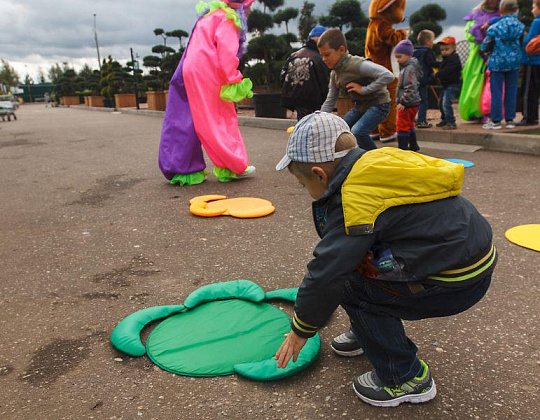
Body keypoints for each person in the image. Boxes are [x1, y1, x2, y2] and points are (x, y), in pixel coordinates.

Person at [273, 111, 496, 408]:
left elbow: (326, 273)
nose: (306, 192)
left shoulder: (355, 199)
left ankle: (404, 377)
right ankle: (371, 332)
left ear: (319, 173)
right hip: (467, 260)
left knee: (350, 286)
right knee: (356, 267)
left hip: (454, 279)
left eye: (303, 185)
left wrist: (302, 328)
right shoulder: (374, 165)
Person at [158, 0, 256, 186]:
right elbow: (226, 53)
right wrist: (233, 79)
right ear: (241, 7)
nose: (250, 10)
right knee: (219, 117)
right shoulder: (229, 19)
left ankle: (183, 168)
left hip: (188, 69)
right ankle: (233, 165)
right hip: (208, 71)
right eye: (249, 6)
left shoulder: (209, 15)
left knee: (187, 119)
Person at [318, 29, 396, 151]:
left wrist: (364, 89)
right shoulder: (335, 73)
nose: (323, 59)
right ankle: (353, 157)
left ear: (342, 50)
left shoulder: (358, 65)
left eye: (327, 54)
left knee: (357, 132)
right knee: (340, 129)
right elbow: (330, 99)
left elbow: (388, 76)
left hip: (379, 104)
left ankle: (375, 160)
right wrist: (319, 119)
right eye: (321, 55)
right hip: (361, 106)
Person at [481, 0, 524, 130]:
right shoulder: (520, 26)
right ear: (516, 9)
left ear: (501, 10)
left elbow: (485, 45)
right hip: (514, 61)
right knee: (512, 91)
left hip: (497, 62)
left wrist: (486, 51)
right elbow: (523, 42)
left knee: (497, 92)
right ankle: (510, 119)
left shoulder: (495, 27)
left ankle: (496, 121)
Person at [459, 0, 501, 122]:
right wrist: (480, 31)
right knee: (474, 82)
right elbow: (469, 35)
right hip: (477, 55)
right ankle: (475, 111)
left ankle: (487, 111)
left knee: (490, 84)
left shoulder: (501, 14)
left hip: (495, 53)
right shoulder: (476, 13)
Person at [280, 25, 330, 121]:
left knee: (302, 124)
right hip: (312, 101)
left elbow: (282, 77)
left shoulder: (293, 55)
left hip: (293, 98)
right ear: (322, 39)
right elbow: (323, 82)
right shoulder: (319, 58)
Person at [395, 39, 422, 151]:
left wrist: (403, 101)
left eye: (399, 56)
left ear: (408, 55)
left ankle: (403, 150)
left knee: (402, 126)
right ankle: (414, 146)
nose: (397, 60)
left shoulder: (409, 68)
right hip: (412, 102)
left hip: (408, 103)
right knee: (409, 124)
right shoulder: (409, 67)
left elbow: (411, 86)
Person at [517, 0, 540, 126]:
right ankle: (534, 116)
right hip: (538, 61)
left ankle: (528, 117)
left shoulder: (537, 22)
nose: (532, 10)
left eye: (533, 7)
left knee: (528, 90)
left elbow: (529, 42)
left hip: (532, 60)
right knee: (535, 90)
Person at [432, 37, 462, 130]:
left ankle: (451, 122)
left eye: (446, 49)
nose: (444, 51)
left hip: (453, 84)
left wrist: (438, 74)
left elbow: (447, 70)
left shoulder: (454, 59)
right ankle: (445, 120)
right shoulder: (446, 59)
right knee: (440, 103)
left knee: (446, 103)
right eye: (442, 50)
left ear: (454, 47)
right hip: (446, 85)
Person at [413, 30, 438, 128]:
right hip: (422, 80)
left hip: (413, 80)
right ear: (428, 41)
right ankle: (421, 120)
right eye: (432, 40)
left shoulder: (414, 52)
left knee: (414, 101)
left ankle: (412, 119)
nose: (433, 42)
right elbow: (431, 63)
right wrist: (441, 64)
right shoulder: (427, 52)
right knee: (423, 101)